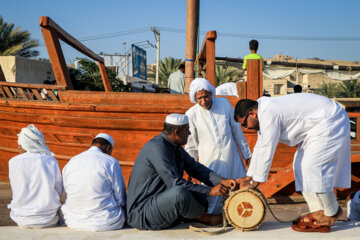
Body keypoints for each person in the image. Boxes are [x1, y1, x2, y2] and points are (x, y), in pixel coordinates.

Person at [234, 93, 351, 232]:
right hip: (316, 126)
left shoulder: (268, 113)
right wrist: (248, 178)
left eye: (244, 123)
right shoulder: (263, 111)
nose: (246, 128)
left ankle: (332, 212)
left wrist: (253, 184)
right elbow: (260, 147)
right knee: (299, 166)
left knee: (313, 167)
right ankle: (318, 210)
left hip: (330, 119)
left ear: (252, 113)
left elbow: (267, 149)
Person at [126, 113, 237, 230]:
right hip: (142, 213)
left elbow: (196, 168)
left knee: (199, 196)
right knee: (180, 194)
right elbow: (175, 183)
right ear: (176, 132)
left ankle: (193, 216)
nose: (189, 133)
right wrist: (210, 190)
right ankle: (205, 218)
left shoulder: (175, 146)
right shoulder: (157, 148)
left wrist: (222, 181)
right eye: (187, 130)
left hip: (160, 202)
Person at [185, 78, 251, 214]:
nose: (203, 101)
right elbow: (191, 146)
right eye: (199, 98)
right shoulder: (191, 114)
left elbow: (237, 131)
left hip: (232, 157)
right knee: (214, 196)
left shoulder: (224, 104)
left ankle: (242, 217)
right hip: (209, 162)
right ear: (194, 98)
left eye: (206, 96)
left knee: (240, 191)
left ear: (211, 93)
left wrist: (247, 155)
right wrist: (190, 169)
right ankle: (214, 218)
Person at [61, 133, 126, 231]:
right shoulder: (111, 162)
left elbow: (67, 190)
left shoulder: (72, 161)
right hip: (106, 222)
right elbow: (120, 197)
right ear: (108, 148)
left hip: (73, 220)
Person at [8, 124, 63, 228]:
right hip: (48, 218)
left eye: (19, 144)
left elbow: (15, 188)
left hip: (21, 218)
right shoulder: (51, 161)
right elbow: (58, 189)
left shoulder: (13, 162)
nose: (18, 147)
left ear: (24, 144)